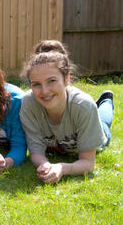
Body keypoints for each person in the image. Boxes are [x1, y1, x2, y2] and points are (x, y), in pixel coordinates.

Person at [20, 40, 114, 184]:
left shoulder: (84, 106)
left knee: (104, 122)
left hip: (94, 124)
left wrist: (63, 168)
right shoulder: (28, 103)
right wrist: (45, 166)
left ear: (67, 79)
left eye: (51, 81)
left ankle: (107, 101)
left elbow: (88, 163)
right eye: (36, 84)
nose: (44, 91)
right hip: (73, 126)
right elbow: (36, 153)